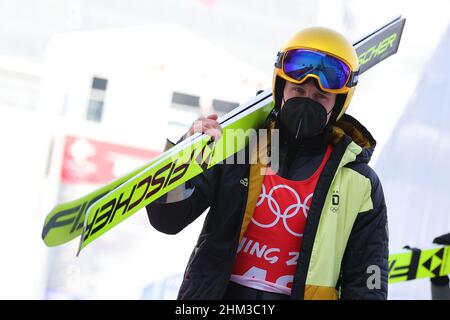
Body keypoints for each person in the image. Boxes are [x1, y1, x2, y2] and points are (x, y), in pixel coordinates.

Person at [146, 27, 388, 300]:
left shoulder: (357, 182)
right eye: (298, 90)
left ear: (339, 104)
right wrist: (184, 154)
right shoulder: (240, 149)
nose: (307, 100)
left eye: (320, 97)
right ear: (280, 87)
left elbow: (369, 277)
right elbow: (167, 219)